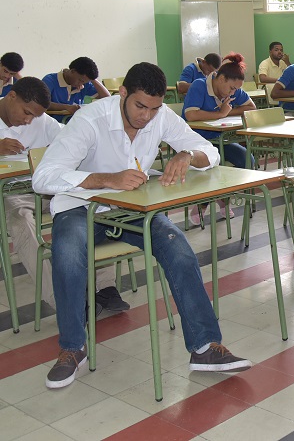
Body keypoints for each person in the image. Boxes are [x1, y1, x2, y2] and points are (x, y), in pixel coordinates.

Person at [32, 61, 251, 389]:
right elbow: (43, 177)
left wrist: (187, 155)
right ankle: (72, 348)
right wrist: (106, 179)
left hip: (133, 209)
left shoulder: (160, 115)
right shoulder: (90, 119)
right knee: (67, 254)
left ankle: (205, 347)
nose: (146, 116)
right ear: (122, 93)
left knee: (179, 250)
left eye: (154, 108)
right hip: (80, 207)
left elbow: (207, 150)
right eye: (139, 106)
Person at [0, 77, 127, 313]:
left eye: (34, 116)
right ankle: (64, 300)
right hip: (11, 194)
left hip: (49, 190)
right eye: (26, 112)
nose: (28, 120)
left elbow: (73, 138)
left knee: (93, 207)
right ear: (11, 96)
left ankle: (104, 287)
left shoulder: (42, 121)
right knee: (21, 224)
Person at [183, 52, 256, 223]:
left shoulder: (232, 90)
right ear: (221, 79)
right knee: (214, 163)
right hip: (196, 143)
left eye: (237, 89)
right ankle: (203, 204)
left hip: (219, 141)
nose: (234, 92)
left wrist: (226, 112)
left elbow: (251, 107)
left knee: (247, 159)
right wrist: (220, 114)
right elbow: (191, 115)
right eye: (232, 88)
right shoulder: (199, 85)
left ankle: (224, 198)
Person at [42, 57, 111, 120]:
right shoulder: (50, 80)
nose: (81, 84)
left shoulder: (84, 83)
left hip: (76, 123)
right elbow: (41, 103)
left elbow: (107, 98)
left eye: (84, 82)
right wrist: (66, 107)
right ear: (72, 71)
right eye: (80, 80)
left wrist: (93, 79)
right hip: (54, 124)